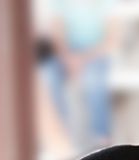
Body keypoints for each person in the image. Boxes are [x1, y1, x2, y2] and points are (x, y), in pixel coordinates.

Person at [43, 0, 119, 151]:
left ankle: (103, 138)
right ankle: (60, 137)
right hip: (66, 54)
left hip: (96, 54)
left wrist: (83, 60)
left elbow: (111, 40)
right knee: (48, 75)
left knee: (94, 81)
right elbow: (56, 34)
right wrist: (68, 58)